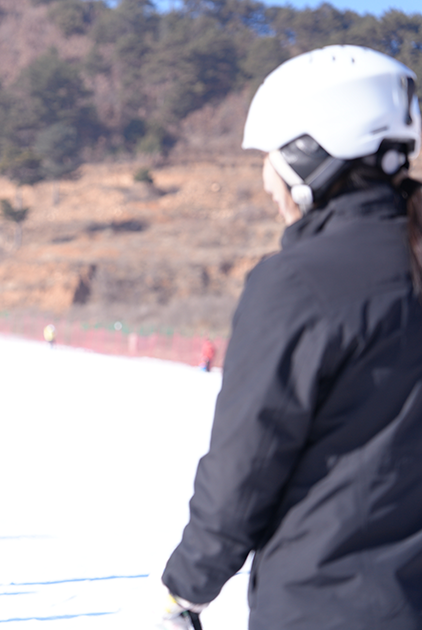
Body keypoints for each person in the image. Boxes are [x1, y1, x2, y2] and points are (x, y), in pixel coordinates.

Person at [160, 45, 422, 630]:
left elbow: (247, 462)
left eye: (272, 155)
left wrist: (185, 589)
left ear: (311, 153)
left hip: (330, 603)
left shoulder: (299, 282)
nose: (266, 178)